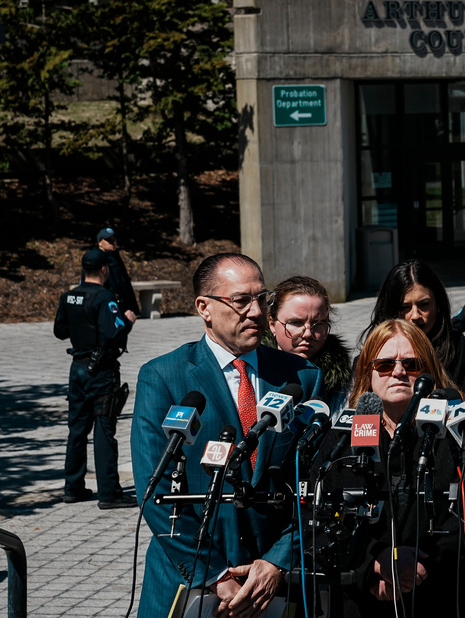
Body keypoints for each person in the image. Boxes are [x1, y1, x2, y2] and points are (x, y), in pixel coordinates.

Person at [131, 253, 324, 618]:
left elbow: (313, 485)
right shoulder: (163, 377)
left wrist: (278, 562)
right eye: (240, 301)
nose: (255, 311)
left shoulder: (301, 376)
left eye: (261, 298)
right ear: (204, 307)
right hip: (188, 583)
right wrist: (214, 573)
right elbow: (154, 492)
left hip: (273, 586)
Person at [322, 319, 465, 617]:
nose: (397, 372)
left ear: (428, 372)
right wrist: (373, 562)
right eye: (384, 365)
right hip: (364, 597)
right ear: (367, 373)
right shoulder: (342, 438)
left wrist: (420, 564)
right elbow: (320, 516)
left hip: (440, 593)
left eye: (411, 363)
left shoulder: (456, 434)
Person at [53, 248, 136, 508]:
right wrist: (128, 319)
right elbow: (114, 332)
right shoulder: (104, 297)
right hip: (100, 370)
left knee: (77, 430)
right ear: (104, 269)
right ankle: (109, 493)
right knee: (103, 428)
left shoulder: (69, 297)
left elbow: (60, 330)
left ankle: (73, 487)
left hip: (77, 368)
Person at [361, 259, 465, 396]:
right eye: (404, 307)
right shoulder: (373, 355)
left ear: (438, 305)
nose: (415, 315)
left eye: (424, 304)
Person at [264, 275, 352, 406]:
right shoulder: (252, 373)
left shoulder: (345, 385)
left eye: (318, 324)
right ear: (272, 324)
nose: (308, 334)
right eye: (296, 323)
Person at [96, 227, 140, 321]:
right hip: (108, 306)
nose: (113, 243)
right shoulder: (97, 259)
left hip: (122, 305)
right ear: (100, 243)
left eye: (114, 239)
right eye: (109, 240)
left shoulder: (115, 257)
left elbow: (124, 283)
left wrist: (132, 307)